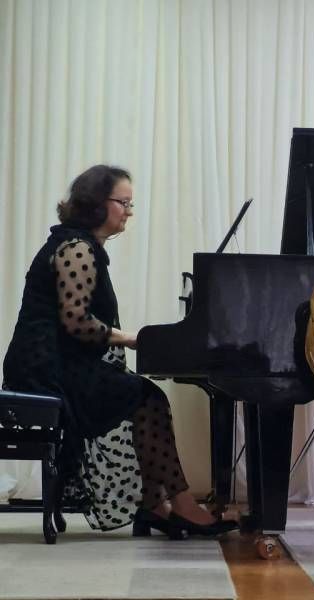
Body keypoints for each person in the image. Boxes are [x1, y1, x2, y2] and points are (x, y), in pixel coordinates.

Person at [2, 165, 237, 538]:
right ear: (97, 204)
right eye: (123, 203)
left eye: (130, 204)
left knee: (146, 397)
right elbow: (76, 322)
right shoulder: (77, 249)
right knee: (147, 398)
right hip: (45, 367)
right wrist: (129, 338)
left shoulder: (80, 245)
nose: (129, 212)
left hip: (56, 361)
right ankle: (176, 506)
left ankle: (157, 505)